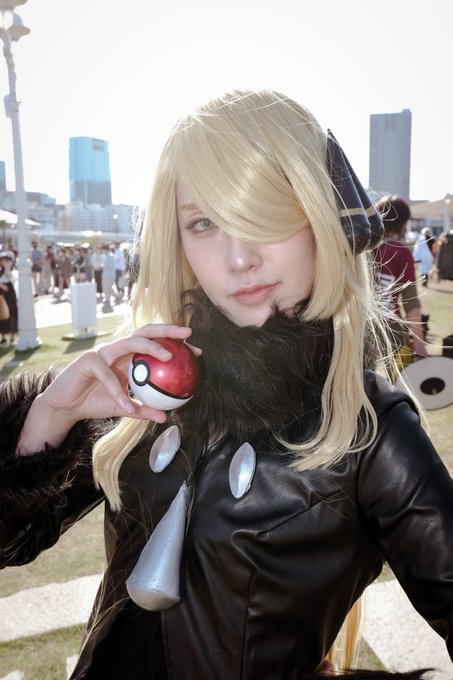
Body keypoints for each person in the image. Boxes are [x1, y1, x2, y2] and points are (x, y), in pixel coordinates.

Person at [0, 90, 452, 679]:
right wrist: (50, 417)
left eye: (265, 212)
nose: (239, 258)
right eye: (204, 223)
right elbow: (10, 544)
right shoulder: (146, 384)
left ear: (320, 218)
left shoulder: (369, 430)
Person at [374, 196, 428, 358]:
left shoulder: (359, 246)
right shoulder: (401, 252)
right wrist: (420, 345)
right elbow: (411, 302)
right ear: (403, 222)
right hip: (390, 333)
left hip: (354, 331)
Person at [0, 250, 18, 345]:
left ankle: (12, 337)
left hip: (11, 296)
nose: (6, 262)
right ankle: (3, 337)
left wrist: (7, 270)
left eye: (8, 260)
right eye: (4, 260)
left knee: (12, 314)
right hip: (2, 297)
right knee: (2, 315)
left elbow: (13, 280)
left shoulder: (12, 272)